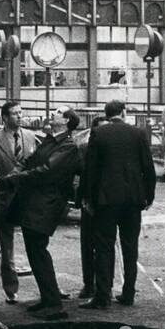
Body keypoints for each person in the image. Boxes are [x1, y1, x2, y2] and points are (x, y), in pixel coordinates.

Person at [1, 109, 81, 314]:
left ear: (66, 121)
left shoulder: (68, 146)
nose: (53, 113)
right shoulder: (51, 140)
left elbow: (47, 171)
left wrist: (17, 178)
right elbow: (32, 159)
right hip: (36, 202)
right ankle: (48, 298)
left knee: (38, 249)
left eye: (59, 112)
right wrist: (18, 169)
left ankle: (54, 303)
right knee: (34, 250)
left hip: (48, 203)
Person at [81, 99, 156, 308]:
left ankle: (103, 295)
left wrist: (88, 198)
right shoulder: (139, 133)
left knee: (104, 246)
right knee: (130, 246)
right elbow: (148, 167)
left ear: (107, 115)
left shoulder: (98, 134)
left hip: (106, 200)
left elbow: (91, 169)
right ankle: (128, 293)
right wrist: (149, 195)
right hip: (133, 199)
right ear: (123, 112)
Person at [0, 99, 39, 303]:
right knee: (7, 247)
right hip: (4, 199)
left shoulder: (30, 137)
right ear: (5, 117)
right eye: (14, 113)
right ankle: (11, 289)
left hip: (27, 199)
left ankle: (45, 288)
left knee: (36, 244)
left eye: (21, 112)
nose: (19, 116)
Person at [74, 117, 102, 299]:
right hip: (89, 202)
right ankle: (88, 283)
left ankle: (102, 284)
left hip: (105, 202)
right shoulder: (83, 149)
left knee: (103, 246)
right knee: (87, 245)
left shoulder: (109, 149)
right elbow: (79, 175)